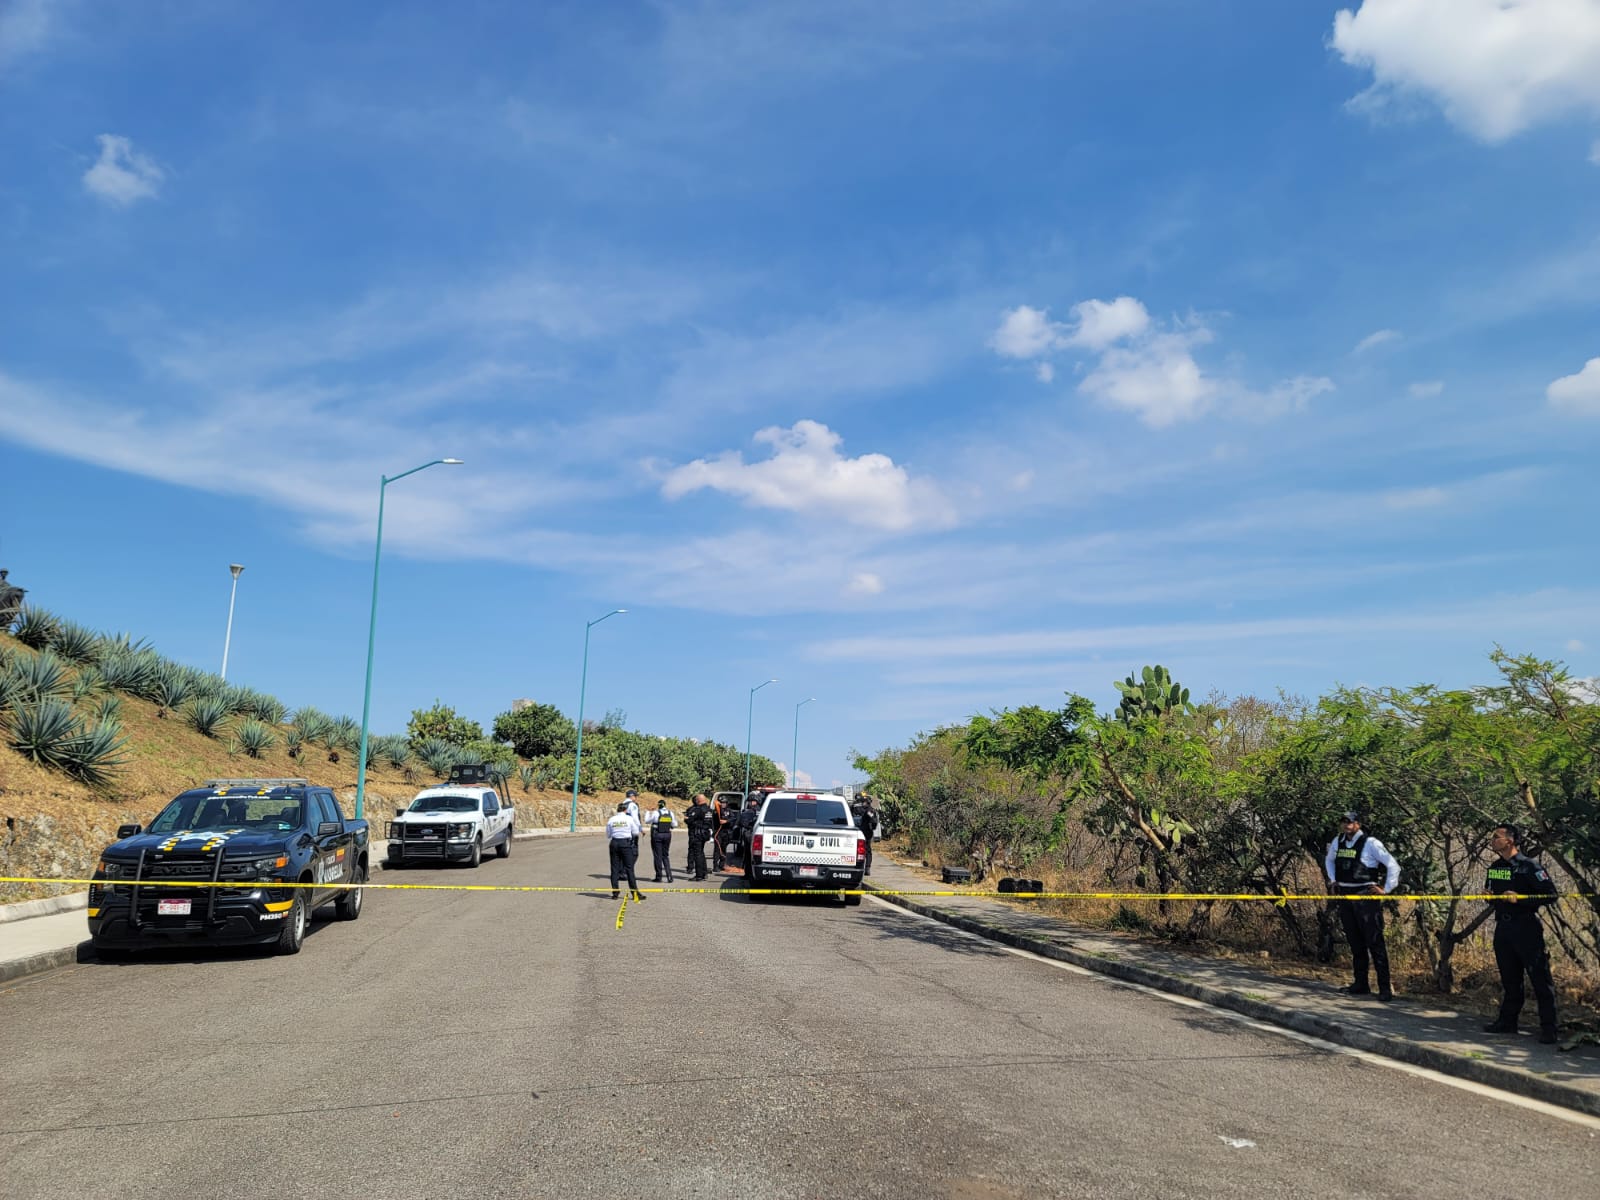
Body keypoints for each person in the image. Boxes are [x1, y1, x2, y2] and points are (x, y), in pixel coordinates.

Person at [1483, 823, 1559, 1044]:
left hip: (1526, 927)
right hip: (1503, 927)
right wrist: (1489, 897)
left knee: (1539, 978)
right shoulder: (1496, 867)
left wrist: (1522, 899)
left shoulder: (1529, 866)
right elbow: (1492, 893)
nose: (1492, 840)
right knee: (1510, 978)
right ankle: (1508, 1021)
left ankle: (1549, 1028)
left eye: (1496, 837)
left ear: (1510, 840)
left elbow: (1550, 895)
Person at [1323, 810, 1400, 1000]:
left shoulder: (1371, 843)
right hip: (1345, 896)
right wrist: (1333, 879)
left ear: (1358, 824)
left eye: (1350, 821)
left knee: (1375, 942)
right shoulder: (1338, 841)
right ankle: (1361, 984)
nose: (1346, 825)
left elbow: (1393, 865)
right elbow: (1329, 860)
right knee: (1355, 942)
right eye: (1344, 821)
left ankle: (1384, 989)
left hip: (1365, 897)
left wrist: (1386, 889)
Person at [604, 802, 644, 901]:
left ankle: (615, 893)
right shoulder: (629, 819)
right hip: (625, 844)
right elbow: (635, 832)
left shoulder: (612, 819)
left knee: (614, 868)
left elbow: (608, 835)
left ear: (617, 810)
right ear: (625, 810)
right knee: (629, 869)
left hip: (614, 843)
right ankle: (635, 893)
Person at [648, 799, 678, 883]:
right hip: (667, 835)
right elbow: (675, 824)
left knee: (658, 856)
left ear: (658, 805)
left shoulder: (656, 813)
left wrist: (649, 812)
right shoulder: (670, 813)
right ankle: (669, 876)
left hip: (657, 835)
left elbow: (648, 821)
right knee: (665, 856)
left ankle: (659, 877)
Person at [684, 794, 713, 880]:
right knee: (701, 853)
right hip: (705, 833)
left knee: (697, 854)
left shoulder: (698, 809)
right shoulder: (709, 810)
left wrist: (686, 819)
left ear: (698, 800)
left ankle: (699, 875)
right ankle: (704, 873)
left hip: (698, 834)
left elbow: (689, 820)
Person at [850, 793, 880, 876]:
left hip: (857, 831)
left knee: (856, 850)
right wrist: (872, 828)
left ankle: (858, 867)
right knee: (867, 850)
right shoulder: (870, 810)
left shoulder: (854, 806)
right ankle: (867, 868)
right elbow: (874, 821)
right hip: (867, 832)